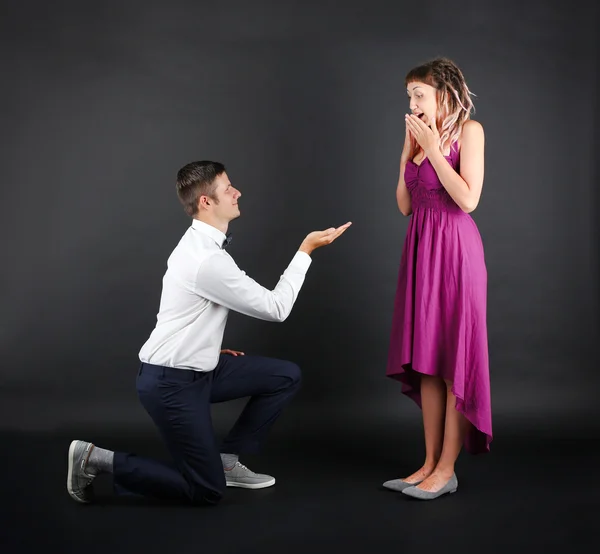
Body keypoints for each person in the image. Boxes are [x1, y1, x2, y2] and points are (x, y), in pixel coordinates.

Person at [67, 161, 351, 506]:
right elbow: (276, 308)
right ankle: (93, 458)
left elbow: (182, 314)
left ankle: (227, 461)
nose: (237, 192)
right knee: (205, 490)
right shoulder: (207, 260)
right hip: (171, 384)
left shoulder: (201, 246)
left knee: (284, 376)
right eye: (228, 187)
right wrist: (306, 251)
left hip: (198, 368)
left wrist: (204, 349)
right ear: (206, 202)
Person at [384, 57, 492, 500]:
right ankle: (428, 462)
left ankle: (447, 470)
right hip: (421, 249)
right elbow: (404, 204)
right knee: (427, 363)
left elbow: (468, 199)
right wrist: (411, 147)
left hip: (456, 252)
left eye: (419, 94)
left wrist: (431, 149)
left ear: (443, 94)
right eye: (409, 95)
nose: (411, 102)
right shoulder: (415, 133)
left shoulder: (471, 131)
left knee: (453, 364)